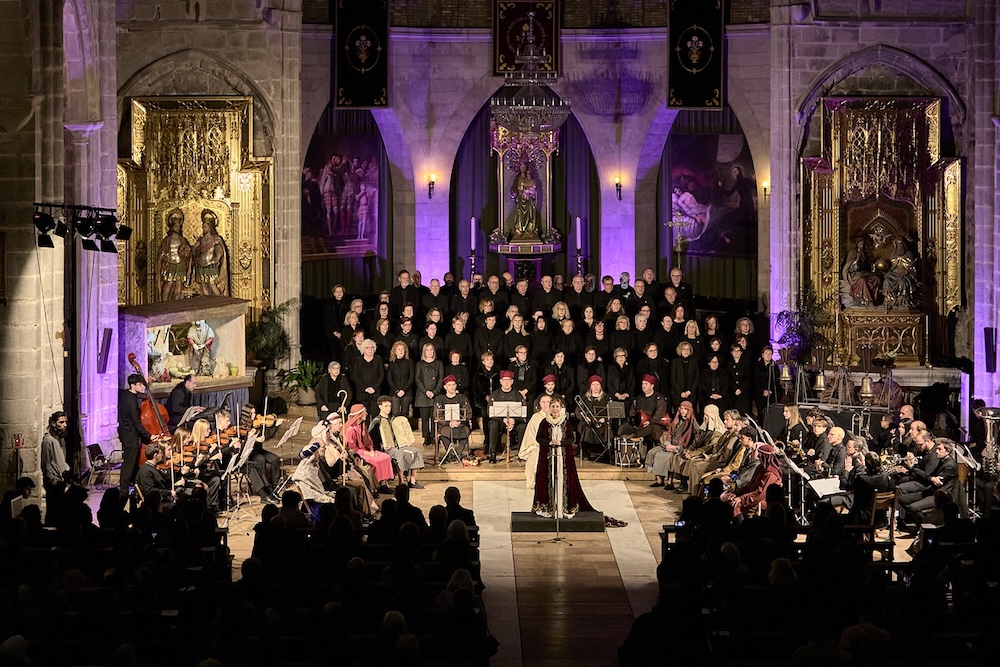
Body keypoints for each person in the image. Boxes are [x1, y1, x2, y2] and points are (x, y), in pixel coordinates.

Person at [532, 397, 595, 519]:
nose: (555, 409)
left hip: (563, 458)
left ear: (561, 408)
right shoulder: (544, 422)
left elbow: (571, 439)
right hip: (548, 458)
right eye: (553, 407)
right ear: (549, 408)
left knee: (564, 480)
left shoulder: (566, 422)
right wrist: (549, 442)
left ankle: (563, 507)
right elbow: (538, 438)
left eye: (557, 407)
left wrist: (560, 443)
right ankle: (549, 507)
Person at [369, 396, 425, 488]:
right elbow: (372, 438)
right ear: (380, 406)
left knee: (416, 451)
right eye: (386, 406)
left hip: (398, 445)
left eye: (390, 406)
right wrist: (382, 447)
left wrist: (406, 441)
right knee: (400, 455)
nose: (388, 408)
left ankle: (412, 480)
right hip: (386, 448)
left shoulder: (393, 419)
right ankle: (401, 481)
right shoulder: (376, 421)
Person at [119, 373, 155, 495]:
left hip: (126, 433)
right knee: (129, 464)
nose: (142, 387)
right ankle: (123, 491)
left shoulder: (125, 394)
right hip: (130, 435)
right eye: (139, 385)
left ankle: (134, 486)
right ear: (133, 385)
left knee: (132, 463)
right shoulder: (131, 401)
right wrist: (149, 436)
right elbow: (136, 423)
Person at [343, 404, 394, 492]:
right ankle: (375, 485)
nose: (366, 413)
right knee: (375, 461)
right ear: (359, 414)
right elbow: (352, 448)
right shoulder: (350, 429)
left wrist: (371, 450)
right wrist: (368, 453)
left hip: (366, 451)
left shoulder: (362, 425)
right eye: (364, 412)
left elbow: (368, 441)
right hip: (358, 454)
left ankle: (382, 483)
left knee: (386, 457)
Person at [486, 370, 527, 464]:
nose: (506, 382)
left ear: (512, 381)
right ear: (500, 381)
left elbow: (523, 412)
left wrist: (513, 420)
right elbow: (490, 412)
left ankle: (522, 454)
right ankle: (493, 454)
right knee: (493, 425)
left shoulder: (518, 395)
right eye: (504, 380)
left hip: (515, 421)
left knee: (522, 427)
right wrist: (504, 419)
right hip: (500, 421)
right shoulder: (495, 395)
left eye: (509, 380)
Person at [156, 207, 192, 301]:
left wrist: (186, 255)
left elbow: (188, 253)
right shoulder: (167, 240)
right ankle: (164, 302)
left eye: (179, 227)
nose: (177, 228)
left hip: (180, 265)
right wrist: (166, 258)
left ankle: (176, 303)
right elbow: (161, 254)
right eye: (176, 226)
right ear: (172, 227)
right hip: (170, 265)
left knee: (179, 284)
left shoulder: (182, 240)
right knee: (169, 283)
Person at [435, 375, 473, 460]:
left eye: (453, 384)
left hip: (460, 424)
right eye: (449, 385)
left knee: (465, 431)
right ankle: (449, 453)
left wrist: (460, 421)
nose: (452, 387)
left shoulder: (462, 398)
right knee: (444, 432)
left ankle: (458, 453)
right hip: (446, 425)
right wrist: (449, 423)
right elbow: (437, 415)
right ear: (445, 387)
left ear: (456, 385)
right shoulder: (439, 399)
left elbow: (468, 413)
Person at [192, 208, 229, 296]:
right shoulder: (201, 239)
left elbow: (219, 250)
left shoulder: (215, 239)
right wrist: (194, 253)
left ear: (210, 228)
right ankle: (207, 301)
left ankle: (219, 301)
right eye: (203, 227)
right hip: (201, 264)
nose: (203, 229)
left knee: (212, 284)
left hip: (211, 264)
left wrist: (217, 258)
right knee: (203, 285)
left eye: (205, 227)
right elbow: (194, 248)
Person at [415, 343, 444, 446]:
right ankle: (426, 437)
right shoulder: (420, 364)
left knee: (434, 417)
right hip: (423, 395)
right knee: (425, 418)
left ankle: (434, 436)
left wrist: (434, 391)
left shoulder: (439, 363)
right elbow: (418, 379)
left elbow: (441, 379)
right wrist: (426, 391)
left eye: (431, 350)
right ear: (424, 352)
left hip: (435, 394)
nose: (430, 352)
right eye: (427, 350)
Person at [40, 411, 70, 505]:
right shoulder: (48, 440)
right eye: (61, 422)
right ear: (53, 423)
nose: (64, 425)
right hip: (54, 484)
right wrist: (53, 481)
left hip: (61, 481)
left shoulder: (61, 439)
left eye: (65, 422)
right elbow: (46, 464)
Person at [135, 443, 176, 509]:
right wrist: (169, 493)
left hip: (162, 498)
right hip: (156, 503)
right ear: (155, 455)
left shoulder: (152, 467)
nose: (162, 455)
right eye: (160, 453)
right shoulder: (146, 472)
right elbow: (150, 491)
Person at [511, 161, 540, 238]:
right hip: (521, 200)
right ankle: (519, 230)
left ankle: (529, 230)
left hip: (529, 200)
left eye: (524, 167)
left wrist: (529, 192)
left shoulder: (531, 181)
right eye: (521, 167)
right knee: (520, 214)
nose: (523, 169)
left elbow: (533, 191)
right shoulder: (519, 178)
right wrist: (521, 191)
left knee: (530, 214)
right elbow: (517, 189)